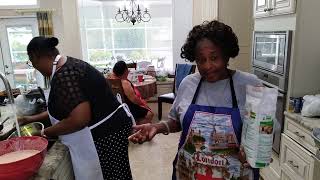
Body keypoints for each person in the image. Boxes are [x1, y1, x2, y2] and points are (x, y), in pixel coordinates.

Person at [129, 20, 262, 180]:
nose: (207, 66)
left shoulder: (249, 84)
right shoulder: (188, 83)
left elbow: (265, 129)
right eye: (201, 60)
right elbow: (177, 122)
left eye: (214, 58)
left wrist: (255, 150)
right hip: (188, 173)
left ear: (227, 55)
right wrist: (157, 127)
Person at [20, 36, 133, 180]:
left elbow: (80, 119)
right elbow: (66, 108)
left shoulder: (64, 75)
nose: (34, 67)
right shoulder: (69, 65)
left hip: (105, 135)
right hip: (112, 128)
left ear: (36, 57)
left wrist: (44, 132)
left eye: (31, 62)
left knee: (113, 176)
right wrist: (30, 119)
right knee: (119, 175)